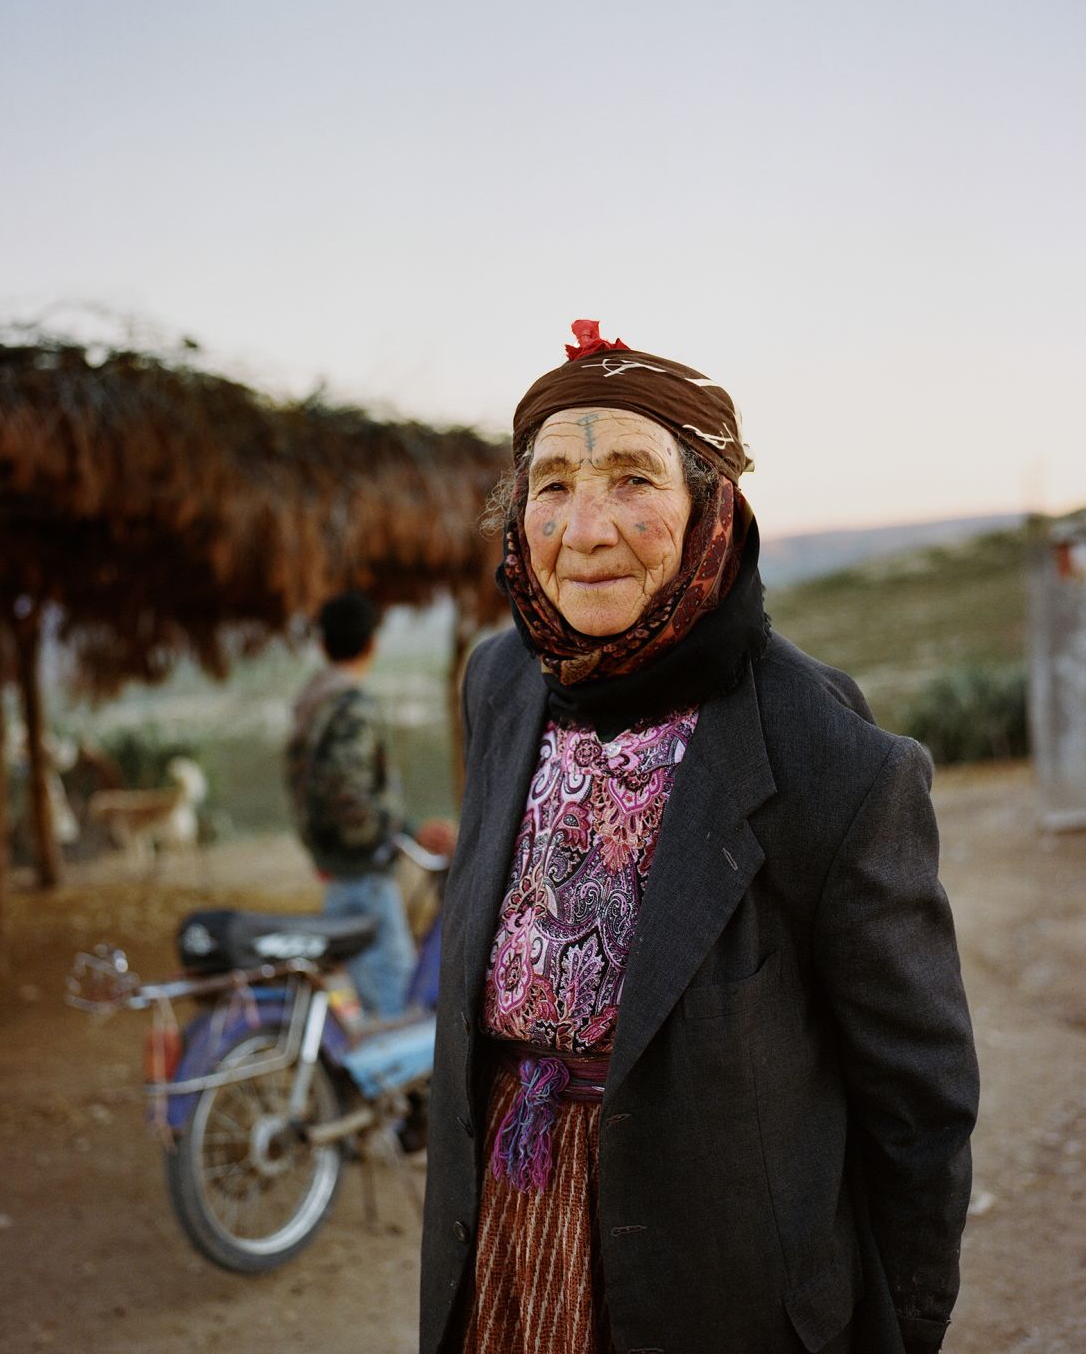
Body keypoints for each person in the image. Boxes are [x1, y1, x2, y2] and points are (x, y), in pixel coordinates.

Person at [420, 321, 979, 1354]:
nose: (584, 529)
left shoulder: (833, 758)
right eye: (551, 485)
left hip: (716, 1281)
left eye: (633, 479)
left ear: (711, 507)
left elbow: (919, 1103)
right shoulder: (499, 684)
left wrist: (900, 1331)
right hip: (501, 1236)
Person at [285, 590, 415, 1019]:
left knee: (368, 995)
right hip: (365, 876)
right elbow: (351, 800)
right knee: (395, 1002)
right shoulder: (352, 708)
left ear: (323, 646)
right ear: (372, 644)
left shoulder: (310, 704)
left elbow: (303, 787)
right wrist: (388, 833)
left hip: (334, 870)